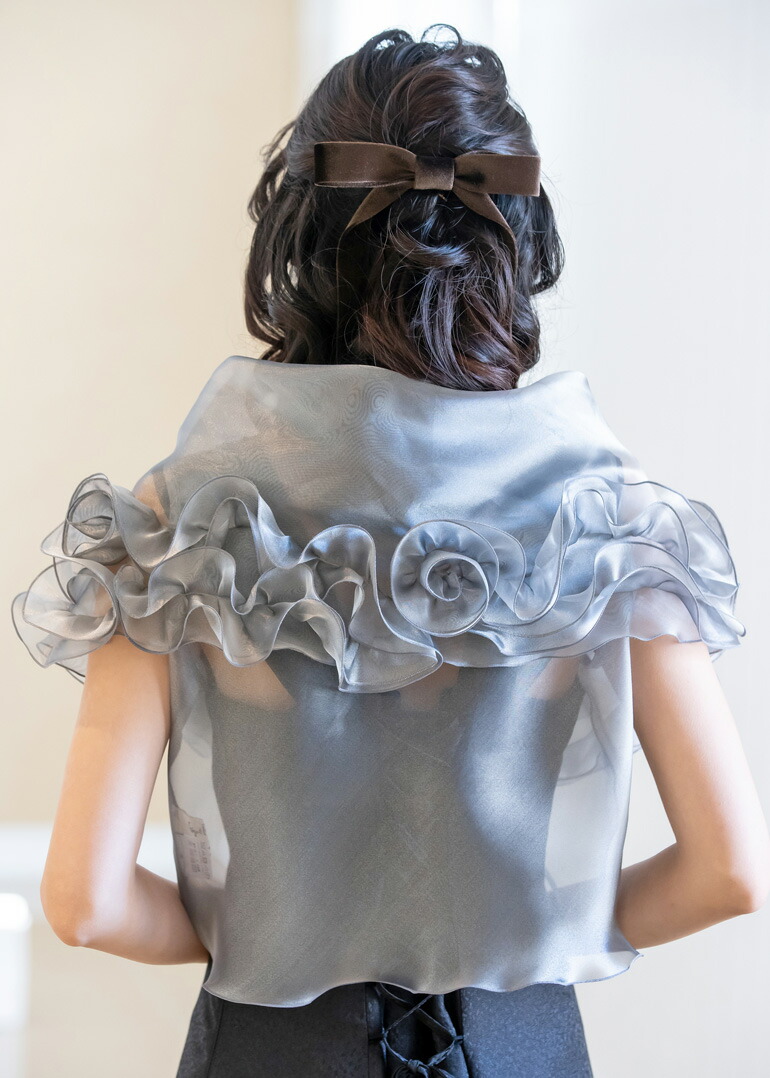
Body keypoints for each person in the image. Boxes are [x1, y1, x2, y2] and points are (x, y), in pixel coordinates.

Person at [11, 24, 770, 1078]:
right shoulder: (604, 516)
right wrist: (539, 934)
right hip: (522, 1050)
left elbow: (85, 902)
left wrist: (264, 935)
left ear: (301, 236)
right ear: (511, 239)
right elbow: (730, 873)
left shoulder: (184, 515)